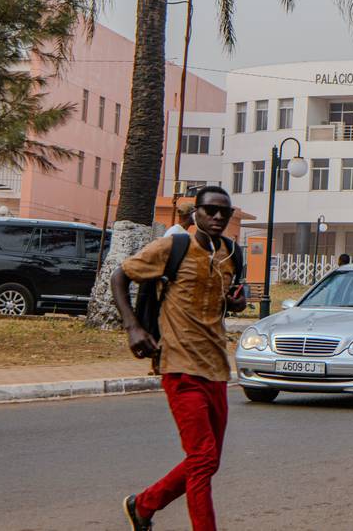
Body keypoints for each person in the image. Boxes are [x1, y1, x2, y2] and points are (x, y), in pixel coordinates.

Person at [111, 186, 247, 531]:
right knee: (202, 458)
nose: (217, 218)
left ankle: (143, 505)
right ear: (196, 213)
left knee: (209, 461)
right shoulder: (173, 247)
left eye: (224, 213)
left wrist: (235, 302)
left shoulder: (232, 254)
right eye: (210, 211)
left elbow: (226, 300)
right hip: (179, 365)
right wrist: (133, 328)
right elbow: (120, 275)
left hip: (216, 367)